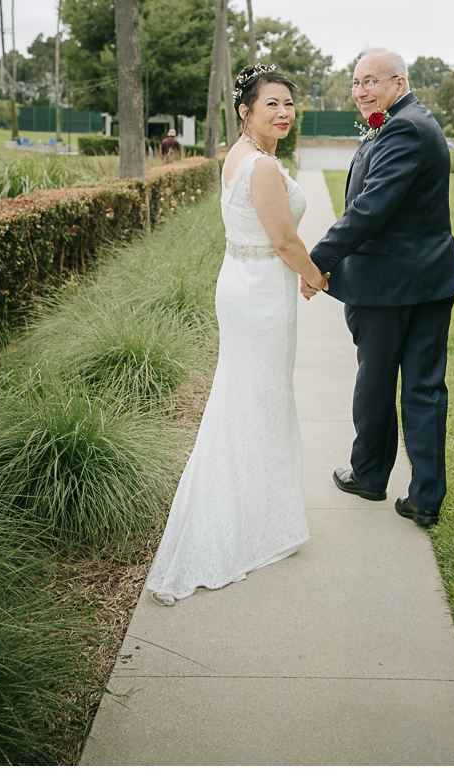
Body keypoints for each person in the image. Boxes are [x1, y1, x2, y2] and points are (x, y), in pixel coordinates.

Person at [147, 64, 328, 605]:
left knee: (249, 398)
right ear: (245, 110)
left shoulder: (239, 156)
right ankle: (240, 523)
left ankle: (255, 512)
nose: (284, 113)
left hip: (245, 284)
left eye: (289, 105)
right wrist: (316, 276)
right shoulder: (264, 169)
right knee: (260, 400)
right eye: (271, 103)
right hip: (261, 295)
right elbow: (285, 240)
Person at [302, 49, 454, 527]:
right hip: (427, 280)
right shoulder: (412, 120)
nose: (360, 91)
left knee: (377, 384)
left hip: (388, 283)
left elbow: (370, 210)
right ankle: (425, 497)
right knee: (424, 388)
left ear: (400, 81)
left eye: (371, 81)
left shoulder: (402, 127)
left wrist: (316, 262)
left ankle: (370, 476)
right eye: (355, 83)